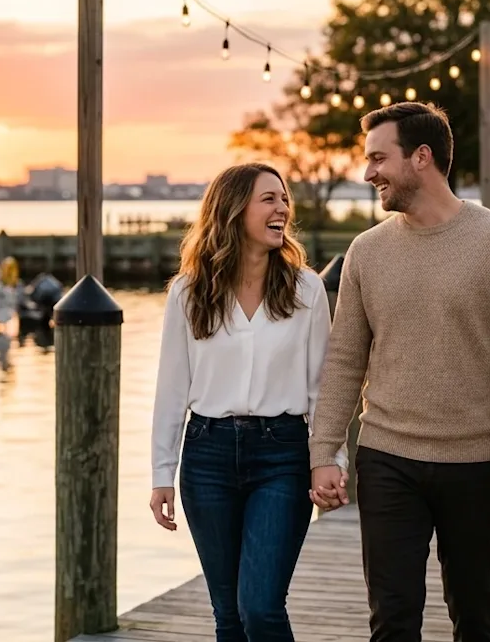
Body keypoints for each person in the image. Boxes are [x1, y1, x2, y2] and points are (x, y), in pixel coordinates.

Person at [308, 102, 490, 642]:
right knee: (392, 620)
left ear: (421, 157)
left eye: (379, 158)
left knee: (476, 615)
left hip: (479, 463)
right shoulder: (366, 251)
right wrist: (324, 452)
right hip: (386, 458)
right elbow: (345, 361)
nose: (368, 173)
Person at [149, 162, 345, 641]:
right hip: (207, 455)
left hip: (283, 455)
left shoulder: (306, 289)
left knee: (260, 607)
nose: (283, 209)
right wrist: (161, 475)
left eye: (284, 199)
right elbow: (171, 389)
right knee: (228, 616)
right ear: (234, 210)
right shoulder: (188, 292)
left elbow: (324, 388)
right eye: (269, 199)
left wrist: (330, 460)